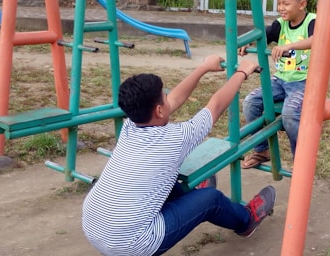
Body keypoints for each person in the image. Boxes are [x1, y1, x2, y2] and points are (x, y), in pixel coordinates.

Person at [82, 55, 276, 256]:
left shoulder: (130, 126)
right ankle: (246, 220)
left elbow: (173, 99)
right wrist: (242, 72)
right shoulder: (177, 137)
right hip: (133, 244)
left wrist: (203, 68)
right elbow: (216, 105)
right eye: (163, 97)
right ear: (158, 110)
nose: (169, 98)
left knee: (165, 179)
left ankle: (190, 199)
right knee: (211, 199)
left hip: (94, 226)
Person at [238, 0, 316, 169]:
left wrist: (289, 45)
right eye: (279, 3)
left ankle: (301, 161)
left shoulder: (312, 21)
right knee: (251, 102)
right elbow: (265, 35)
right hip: (280, 80)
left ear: (302, 4)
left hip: (304, 81)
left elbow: (317, 39)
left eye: (286, 3)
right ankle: (261, 149)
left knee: (290, 114)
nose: (281, 8)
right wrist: (250, 42)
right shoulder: (280, 24)